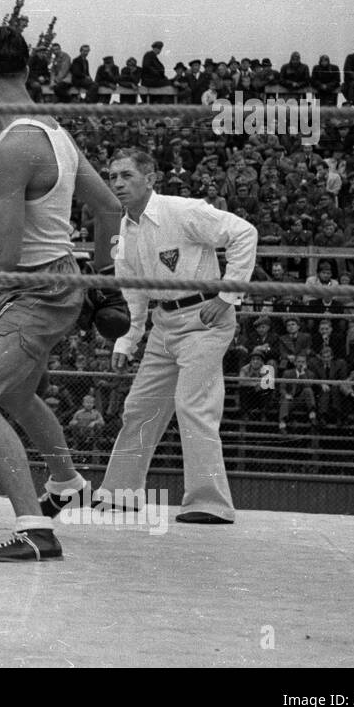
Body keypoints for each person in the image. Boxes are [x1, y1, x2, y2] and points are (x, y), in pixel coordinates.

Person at [0, 26, 126, 562]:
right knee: (16, 394)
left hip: (36, 292)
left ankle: (36, 530)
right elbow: (109, 210)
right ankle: (66, 483)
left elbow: (6, 255)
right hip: (62, 283)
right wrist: (105, 284)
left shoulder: (14, 146)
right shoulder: (55, 132)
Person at [96, 147, 258, 524]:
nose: (117, 183)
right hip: (163, 323)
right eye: (112, 177)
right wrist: (127, 340)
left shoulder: (183, 210)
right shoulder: (125, 229)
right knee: (139, 406)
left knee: (192, 405)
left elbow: (244, 232)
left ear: (150, 179)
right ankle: (121, 493)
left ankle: (209, 503)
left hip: (204, 318)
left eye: (126, 176)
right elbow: (133, 290)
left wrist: (228, 295)